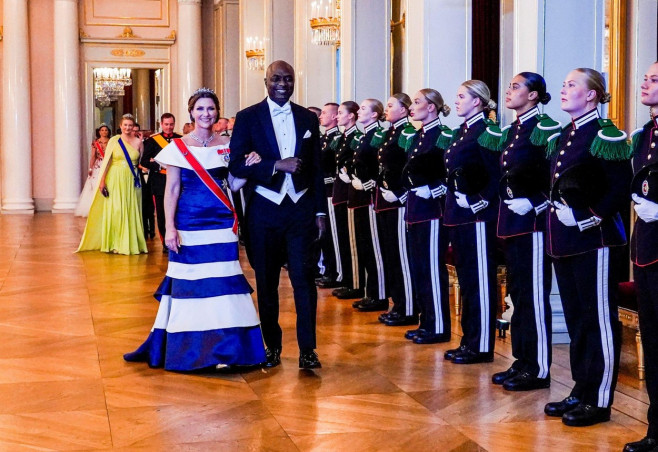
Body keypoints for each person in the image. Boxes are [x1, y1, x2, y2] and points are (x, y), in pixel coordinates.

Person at [123, 88, 266, 371]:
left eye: (210, 108)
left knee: (223, 283)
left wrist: (249, 167)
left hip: (222, 222)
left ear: (217, 111)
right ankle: (191, 349)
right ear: (191, 113)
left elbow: (233, 185)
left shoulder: (228, 144)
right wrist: (171, 229)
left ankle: (227, 349)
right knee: (190, 283)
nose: (206, 114)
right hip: (189, 222)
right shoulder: (177, 147)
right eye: (200, 109)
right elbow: (172, 189)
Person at [543, 68, 631, 427]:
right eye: (563, 85)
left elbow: (618, 186)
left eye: (572, 85)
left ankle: (599, 398)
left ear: (592, 94)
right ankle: (581, 388)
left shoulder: (606, 134)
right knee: (579, 320)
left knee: (599, 321)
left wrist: (587, 217)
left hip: (594, 240)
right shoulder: (567, 134)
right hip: (565, 240)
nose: (564, 90)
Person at [229, 60, 326, 370]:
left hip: (301, 211)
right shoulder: (247, 118)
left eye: (288, 79)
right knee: (267, 283)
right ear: (266, 81)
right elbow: (236, 166)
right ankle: (271, 346)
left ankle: (308, 350)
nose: (282, 84)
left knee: (304, 280)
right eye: (276, 79)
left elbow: (317, 169)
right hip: (264, 212)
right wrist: (274, 165)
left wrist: (321, 211)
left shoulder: (308, 118)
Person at [492, 72, 556, 391]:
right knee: (518, 293)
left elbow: (553, 175)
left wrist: (535, 203)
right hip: (513, 223)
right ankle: (523, 360)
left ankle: (539, 367)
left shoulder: (544, 129)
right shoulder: (514, 129)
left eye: (516, 86)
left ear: (533, 95)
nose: (509, 90)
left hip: (533, 223)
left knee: (532, 295)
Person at [443, 80, 501, 364]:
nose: (456, 101)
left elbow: (495, 174)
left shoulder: (486, 131)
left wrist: (479, 200)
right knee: (467, 280)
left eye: (461, 96)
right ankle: (469, 340)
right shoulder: (462, 131)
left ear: (477, 101)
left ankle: (481, 345)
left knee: (479, 281)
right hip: (459, 214)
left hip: (477, 216)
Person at [399, 89, 452, 343]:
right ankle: (427, 321)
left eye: (418, 102)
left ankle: (439, 326)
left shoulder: (442, 135)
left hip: (432, 210)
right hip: (415, 210)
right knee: (419, 268)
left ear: (432, 107)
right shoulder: (419, 135)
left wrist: (433, 190)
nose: (412, 106)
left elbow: (447, 173)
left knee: (431, 269)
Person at [624, 61, 658, 452]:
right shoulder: (644, 134)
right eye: (644, 77)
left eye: (653, 79)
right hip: (647, 248)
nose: (644, 83)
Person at [77, 114, 148, 255]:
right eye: (125, 125)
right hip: (114, 177)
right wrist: (102, 181)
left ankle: (131, 243)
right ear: (120, 126)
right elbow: (107, 161)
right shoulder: (114, 141)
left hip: (131, 179)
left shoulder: (139, 142)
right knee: (116, 210)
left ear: (133, 127)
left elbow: (141, 162)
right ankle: (115, 242)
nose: (127, 128)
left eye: (130, 125)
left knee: (131, 210)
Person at [375, 94, 417, 327]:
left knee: (402, 257)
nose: (387, 109)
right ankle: (399, 303)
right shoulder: (391, 132)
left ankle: (409, 307)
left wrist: (402, 194)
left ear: (404, 110)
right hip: (386, 199)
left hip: (400, 201)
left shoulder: (408, 133)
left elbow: (410, 167)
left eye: (391, 106)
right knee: (391, 254)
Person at [349, 99, 387, 312]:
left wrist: (369, 182)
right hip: (360, 194)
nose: (358, 112)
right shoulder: (365, 135)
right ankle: (370, 292)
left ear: (374, 114)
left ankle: (379, 294)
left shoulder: (378, 135)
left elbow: (378, 165)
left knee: (374, 248)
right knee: (364, 245)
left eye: (363, 108)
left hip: (371, 195)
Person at [330, 101, 362, 300]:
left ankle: (355, 282)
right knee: (342, 238)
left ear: (351, 116)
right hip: (340, 191)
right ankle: (348, 279)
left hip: (350, 190)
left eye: (341, 113)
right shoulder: (341, 138)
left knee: (352, 240)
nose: (337, 117)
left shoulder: (356, 137)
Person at [141, 113, 182, 247]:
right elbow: (145, 161)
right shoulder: (153, 141)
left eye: (171, 124)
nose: (169, 127)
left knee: (178, 211)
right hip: (159, 181)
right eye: (166, 124)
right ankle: (166, 242)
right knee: (162, 213)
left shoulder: (180, 140)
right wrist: (158, 165)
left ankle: (180, 239)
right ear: (161, 124)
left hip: (177, 181)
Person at [315, 102, 342, 289]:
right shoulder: (324, 139)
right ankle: (327, 269)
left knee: (332, 234)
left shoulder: (337, 138)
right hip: (322, 191)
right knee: (323, 233)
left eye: (324, 113)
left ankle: (333, 271)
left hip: (331, 190)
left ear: (334, 117)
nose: (320, 116)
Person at [75, 123, 111, 217]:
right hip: (98, 165)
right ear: (99, 132)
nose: (104, 132)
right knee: (95, 185)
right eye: (102, 130)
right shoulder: (96, 143)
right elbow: (93, 156)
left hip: (109, 164)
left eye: (106, 130)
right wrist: (90, 168)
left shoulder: (111, 141)